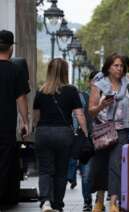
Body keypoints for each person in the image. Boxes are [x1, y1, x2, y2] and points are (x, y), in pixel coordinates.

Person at [88, 53, 129, 212]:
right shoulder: (98, 84)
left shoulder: (128, 83)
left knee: (116, 165)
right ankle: (99, 199)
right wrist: (101, 106)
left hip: (122, 130)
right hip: (102, 129)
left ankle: (114, 202)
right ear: (108, 67)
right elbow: (91, 110)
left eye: (121, 66)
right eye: (116, 66)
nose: (119, 69)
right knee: (100, 166)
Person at [33, 58, 88, 212]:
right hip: (64, 133)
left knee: (45, 170)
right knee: (61, 171)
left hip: (43, 132)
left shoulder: (41, 91)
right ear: (65, 72)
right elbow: (79, 114)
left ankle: (46, 202)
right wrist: (85, 132)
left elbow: (36, 117)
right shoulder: (71, 91)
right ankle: (57, 203)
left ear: (49, 71)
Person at [0, 30, 30, 207]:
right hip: (6, 126)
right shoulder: (17, 70)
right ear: (11, 48)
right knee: (5, 162)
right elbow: (21, 99)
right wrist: (25, 122)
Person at [66, 70, 99, 212]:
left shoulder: (109, 97)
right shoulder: (82, 97)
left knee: (102, 173)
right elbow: (76, 116)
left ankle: (100, 201)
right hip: (88, 141)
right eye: (95, 80)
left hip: (106, 140)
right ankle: (88, 202)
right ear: (90, 82)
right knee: (87, 174)